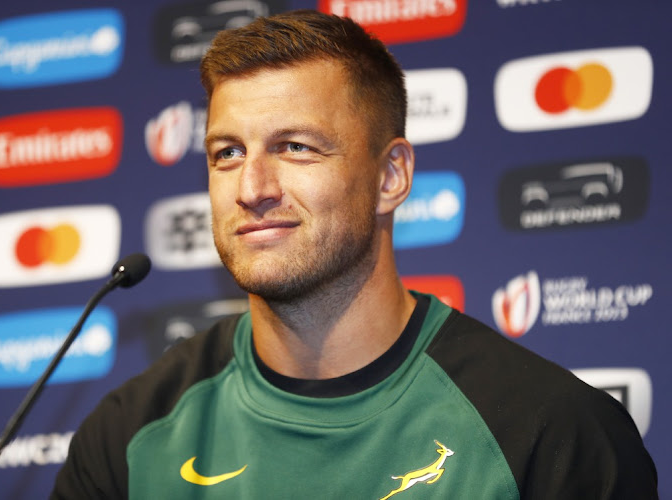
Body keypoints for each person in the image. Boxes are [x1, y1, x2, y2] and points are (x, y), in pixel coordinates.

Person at [52, 9, 658, 499]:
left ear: (391, 176)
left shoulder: (550, 434)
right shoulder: (130, 437)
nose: (252, 188)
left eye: (295, 147)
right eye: (227, 153)